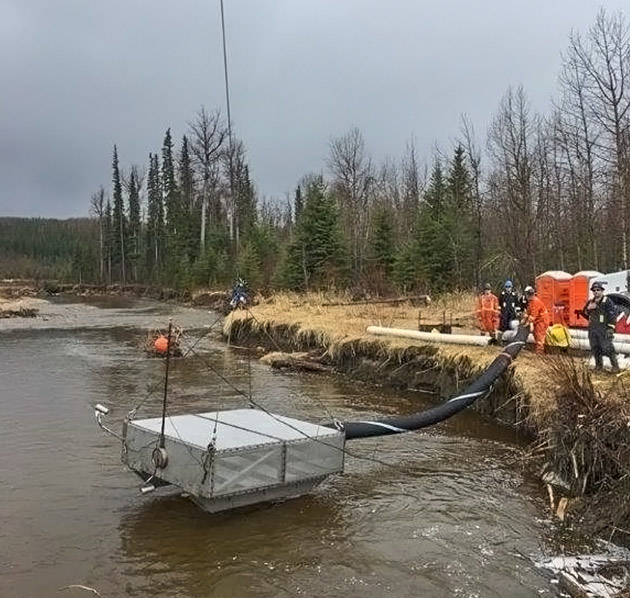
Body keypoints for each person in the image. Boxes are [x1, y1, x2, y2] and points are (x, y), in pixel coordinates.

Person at [581, 281, 619, 373]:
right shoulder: (591, 302)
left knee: (608, 348)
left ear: (602, 291)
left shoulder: (607, 301)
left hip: (604, 329)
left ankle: (615, 367)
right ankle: (598, 366)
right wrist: (588, 309)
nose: (596, 292)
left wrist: (611, 328)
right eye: (594, 290)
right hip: (593, 330)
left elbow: (613, 315)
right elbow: (584, 313)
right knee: (595, 348)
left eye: (598, 290)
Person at [521, 285, 550, 354]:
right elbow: (528, 312)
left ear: (529, 295)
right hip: (538, 321)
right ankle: (538, 349)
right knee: (536, 335)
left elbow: (532, 316)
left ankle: (540, 351)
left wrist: (527, 323)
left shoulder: (535, 302)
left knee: (539, 335)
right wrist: (523, 320)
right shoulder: (531, 302)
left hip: (542, 321)